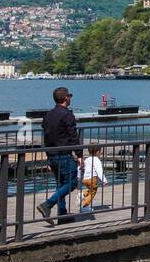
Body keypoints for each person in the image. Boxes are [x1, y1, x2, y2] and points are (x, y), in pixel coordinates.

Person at [39, 86, 82, 225]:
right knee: (72, 182)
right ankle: (48, 204)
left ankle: (62, 214)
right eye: (69, 96)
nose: (70, 98)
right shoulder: (67, 115)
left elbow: (46, 135)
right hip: (63, 154)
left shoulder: (48, 115)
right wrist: (79, 155)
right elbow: (73, 135)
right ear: (66, 98)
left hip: (51, 154)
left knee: (60, 184)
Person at [80, 143, 106, 212]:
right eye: (100, 152)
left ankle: (83, 194)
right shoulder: (96, 160)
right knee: (93, 192)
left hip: (85, 179)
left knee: (90, 189)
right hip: (92, 179)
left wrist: (79, 176)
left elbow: (81, 168)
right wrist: (104, 180)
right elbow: (99, 170)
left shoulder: (87, 159)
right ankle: (85, 206)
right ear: (98, 152)